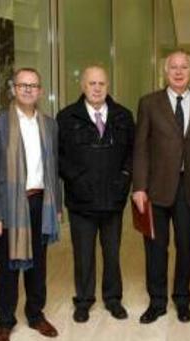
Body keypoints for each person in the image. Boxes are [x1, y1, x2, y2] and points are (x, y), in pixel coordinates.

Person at [0, 67, 62, 341]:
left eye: (34, 85)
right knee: (8, 267)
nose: (28, 90)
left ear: (40, 91)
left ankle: (35, 314)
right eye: (22, 85)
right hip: (10, 206)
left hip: (42, 202)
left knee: (38, 265)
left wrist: (58, 207)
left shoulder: (50, 125)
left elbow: (54, 169)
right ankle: (4, 322)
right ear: (13, 89)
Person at [132, 50, 190, 324]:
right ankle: (157, 302)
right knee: (155, 248)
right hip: (155, 189)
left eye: (183, 67)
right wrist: (139, 187)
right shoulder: (149, 103)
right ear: (165, 72)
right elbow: (141, 148)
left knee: (186, 247)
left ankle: (182, 299)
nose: (178, 72)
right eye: (173, 68)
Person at [57, 66, 134, 323]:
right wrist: (77, 181)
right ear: (83, 86)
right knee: (83, 255)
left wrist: (124, 179)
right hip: (81, 202)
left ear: (108, 86)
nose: (97, 88)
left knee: (112, 254)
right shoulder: (67, 117)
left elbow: (132, 155)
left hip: (113, 200)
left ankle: (113, 300)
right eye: (92, 83)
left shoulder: (123, 116)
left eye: (101, 83)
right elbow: (59, 157)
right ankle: (84, 301)